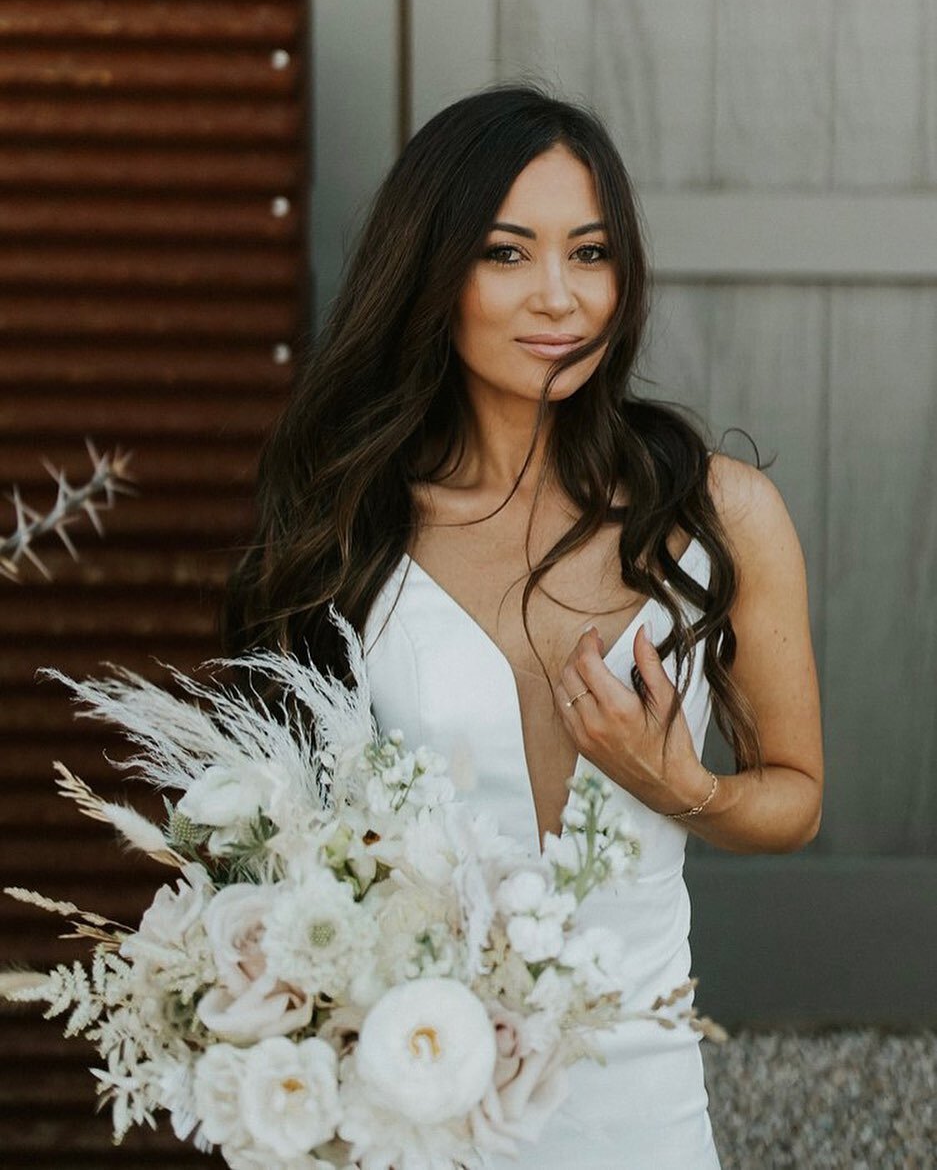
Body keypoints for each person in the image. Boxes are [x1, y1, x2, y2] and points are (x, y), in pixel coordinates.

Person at [223, 83, 823, 1170]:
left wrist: (678, 786)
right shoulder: (347, 532)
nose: (560, 297)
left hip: (642, 1103)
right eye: (507, 254)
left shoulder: (720, 514)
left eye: (589, 254)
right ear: (431, 275)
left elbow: (794, 796)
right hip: (413, 1098)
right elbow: (287, 849)